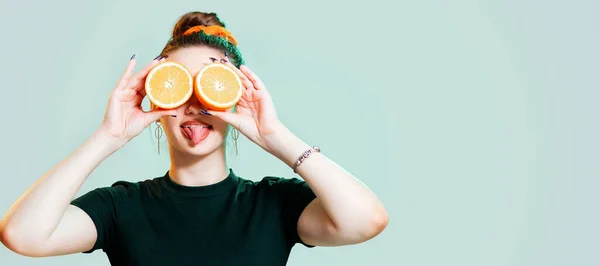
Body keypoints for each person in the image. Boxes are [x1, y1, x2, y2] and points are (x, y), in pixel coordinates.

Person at [0, 11, 389, 266]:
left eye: (211, 87)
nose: (194, 105)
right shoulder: (120, 207)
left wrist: (275, 136)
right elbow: (23, 235)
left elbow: (367, 220)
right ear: (155, 97)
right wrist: (108, 136)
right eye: (178, 85)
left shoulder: (274, 204)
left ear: (233, 97)